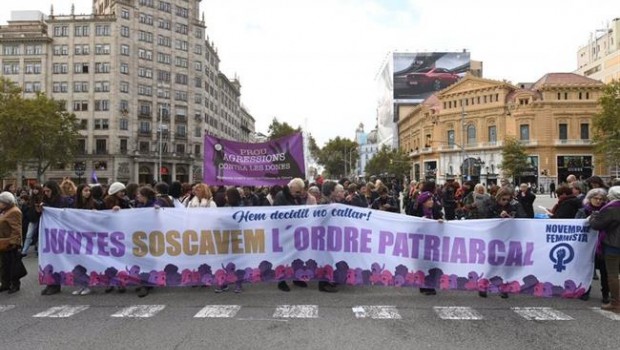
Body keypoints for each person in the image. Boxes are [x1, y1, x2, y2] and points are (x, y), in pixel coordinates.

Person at [482, 187, 527, 298]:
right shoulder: (491, 207)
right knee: (493, 264)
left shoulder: (513, 207)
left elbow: (524, 217)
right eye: (503, 199)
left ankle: (505, 287)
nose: (505, 202)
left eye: (507, 199)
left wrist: (513, 216)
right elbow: (487, 221)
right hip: (496, 238)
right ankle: (483, 285)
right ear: (498, 198)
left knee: (508, 265)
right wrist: (498, 217)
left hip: (509, 237)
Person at [588, 186, 620, 313]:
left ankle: (616, 302)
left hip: (613, 244)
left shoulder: (611, 209)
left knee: (612, 275)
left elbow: (597, 225)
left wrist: (593, 217)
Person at [40, 180, 74, 296]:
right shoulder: (44, 201)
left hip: (61, 234)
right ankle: (51, 283)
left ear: (53, 190)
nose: (46, 193)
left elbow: (70, 214)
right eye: (44, 191)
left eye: (48, 191)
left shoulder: (63, 200)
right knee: (49, 259)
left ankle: (55, 284)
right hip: (49, 235)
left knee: (57, 258)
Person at [576, 188, 608, 303]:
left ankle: (605, 294)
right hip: (586, 245)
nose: (598, 201)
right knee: (587, 269)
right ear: (590, 199)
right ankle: (585, 290)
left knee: (605, 271)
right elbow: (576, 226)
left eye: (601, 199)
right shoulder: (583, 211)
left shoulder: (607, 211)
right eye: (596, 198)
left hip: (602, 244)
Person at [413, 190, 443, 296]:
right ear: (423, 202)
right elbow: (411, 227)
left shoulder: (435, 211)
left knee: (433, 264)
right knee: (422, 264)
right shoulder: (417, 212)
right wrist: (421, 222)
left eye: (432, 199)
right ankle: (422, 285)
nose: (431, 202)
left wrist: (440, 222)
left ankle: (430, 285)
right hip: (421, 243)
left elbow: (442, 222)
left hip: (433, 242)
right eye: (429, 200)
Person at [0, 191, 25, 294]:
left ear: (6, 202)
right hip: (3, 241)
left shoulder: (14, 212)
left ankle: (15, 284)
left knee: (12, 265)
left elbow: (16, 229)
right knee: (3, 265)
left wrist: (14, 243)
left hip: (10, 243)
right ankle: (5, 283)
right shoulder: (5, 211)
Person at [21, 184, 42, 257]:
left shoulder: (42, 198)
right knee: (29, 235)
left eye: (36, 189)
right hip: (33, 218)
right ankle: (24, 251)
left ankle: (39, 250)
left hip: (40, 218)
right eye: (34, 189)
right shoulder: (31, 198)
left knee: (40, 235)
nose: (35, 190)